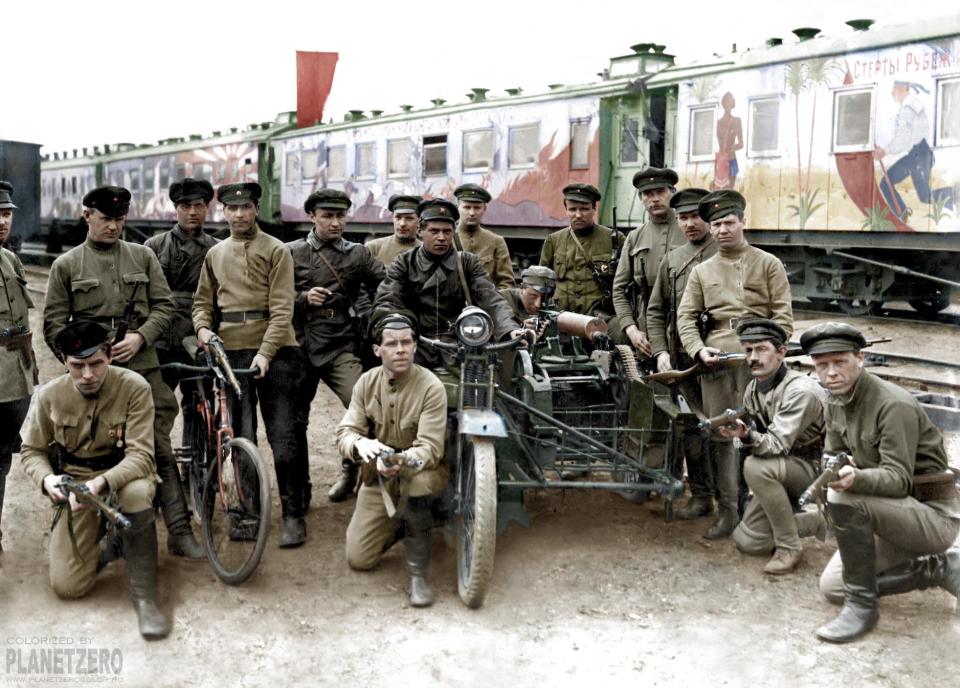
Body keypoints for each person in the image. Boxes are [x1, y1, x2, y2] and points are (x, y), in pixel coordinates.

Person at [43, 186, 204, 560]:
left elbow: (164, 307)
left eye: (119, 219)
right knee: (99, 452)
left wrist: (141, 337)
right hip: (93, 379)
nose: (114, 227)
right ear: (87, 217)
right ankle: (108, 534)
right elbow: (53, 327)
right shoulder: (66, 265)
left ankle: (179, 532)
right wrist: (87, 363)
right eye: (106, 219)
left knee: (158, 448)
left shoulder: (143, 256)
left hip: (143, 370)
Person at [800, 322, 960, 643]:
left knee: (845, 497)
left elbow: (899, 480)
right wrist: (833, 471)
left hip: (932, 517)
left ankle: (862, 608)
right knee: (832, 587)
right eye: (821, 365)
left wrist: (855, 478)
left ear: (861, 358)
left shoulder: (892, 404)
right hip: (888, 515)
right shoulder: (835, 399)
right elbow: (834, 454)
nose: (830, 373)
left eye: (839, 362)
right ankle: (939, 569)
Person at [20, 321, 168, 639]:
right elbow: (31, 451)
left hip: (122, 475)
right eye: (77, 365)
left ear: (110, 358)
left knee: (137, 494)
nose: (88, 375)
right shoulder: (49, 396)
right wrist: (49, 481)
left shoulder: (135, 387)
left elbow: (141, 456)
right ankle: (108, 543)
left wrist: (101, 485)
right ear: (64, 362)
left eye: (96, 364)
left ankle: (145, 598)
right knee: (68, 586)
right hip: (76, 483)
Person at [193, 182, 308, 547]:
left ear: (256, 210)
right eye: (231, 209)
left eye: (246, 208)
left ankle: (293, 516)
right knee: (241, 437)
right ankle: (250, 514)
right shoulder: (216, 254)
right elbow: (201, 305)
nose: (239, 215)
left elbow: (282, 310)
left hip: (277, 354)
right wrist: (203, 330)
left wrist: (266, 353)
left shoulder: (276, 250)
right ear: (223, 212)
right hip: (232, 356)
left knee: (284, 437)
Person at [676, 189, 793, 540]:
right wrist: (699, 350)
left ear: (743, 222)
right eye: (716, 225)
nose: (722, 230)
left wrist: (768, 352)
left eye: (729, 222)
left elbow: (784, 318)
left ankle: (761, 512)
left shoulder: (768, 264)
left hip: (760, 362)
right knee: (722, 436)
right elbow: (686, 318)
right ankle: (728, 513)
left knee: (763, 433)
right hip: (719, 362)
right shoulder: (701, 271)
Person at [337, 314, 447, 607]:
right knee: (359, 558)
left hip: (420, 472)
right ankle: (401, 524)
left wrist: (403, 459)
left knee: (418, 486)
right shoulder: (365, 383)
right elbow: (345, 434)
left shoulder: (431, 387)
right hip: (380, 477)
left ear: (414, 346)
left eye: (406, 342)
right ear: (377, 350)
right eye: (392, 343)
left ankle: (418, 574)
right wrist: (363, 446)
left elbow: (431, 449)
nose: (400, 349)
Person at [287, 188, 384, 503]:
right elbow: (271, 297)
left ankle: (350, 471)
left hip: (339, 343)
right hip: (299, 345)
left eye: (340, 216)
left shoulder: (358, 254)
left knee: (363, 408)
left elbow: (383, 287)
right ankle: (300, 492)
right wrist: (302, 299)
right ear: (312, 217)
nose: (335, 223)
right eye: (327, 216)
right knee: (293, 421)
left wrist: (373, 320)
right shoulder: (291, 252)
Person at [720, 319, 827, 574]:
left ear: (781, 352)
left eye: (761, 349)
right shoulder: (754, 388)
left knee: (756, 467)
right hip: (784, 467)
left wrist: (747, 437)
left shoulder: (800, 391)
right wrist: (739, 436)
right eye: (748, 350)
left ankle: (789, 547)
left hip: (818, 470)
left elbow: (775, 444)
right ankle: (813, 522)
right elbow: (750, 440)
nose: (753, 358)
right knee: (748, 541)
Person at [372, 198, 521, 367]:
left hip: (458, 343)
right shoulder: (404, 263)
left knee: (481, 383)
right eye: (434, 231)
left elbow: (491, 299)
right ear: (420, 231)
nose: (441, 237)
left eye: (447, 231)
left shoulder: (467, 262)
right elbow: (387, 302)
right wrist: (397, 330)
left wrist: (510, 329)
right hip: (416, 343)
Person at [645, 187, 716, 520]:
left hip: (718, 357)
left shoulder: (725, 253)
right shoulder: (673, 259)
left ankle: (736, 501)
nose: (689, 224)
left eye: (696, 216)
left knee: (726, 426)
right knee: (690, 427)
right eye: (683, 217)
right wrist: (660, 351)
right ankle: (701, 496)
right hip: (683, 361)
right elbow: (656, 311)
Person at [144, 178, 219, 451]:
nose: (192, 212)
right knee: (157, 410)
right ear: (175, 208)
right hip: (160, 341)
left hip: (196, 340)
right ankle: (158, 467)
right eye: (185, 206)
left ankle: (198, 474)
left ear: (207, 208)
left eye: (199, 205)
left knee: (199, 407)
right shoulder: (154, 246)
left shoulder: (216, 249)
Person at [0, 181, 38, 554]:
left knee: (1, 465)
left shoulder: (9, 260)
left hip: (15, 381)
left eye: (7, 214)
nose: (1, 221)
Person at [613, 167, 685, 358]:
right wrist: (631, 329)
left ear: (673, 193)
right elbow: (619, 290)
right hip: (646, 332)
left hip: (684, 325)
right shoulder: (635, 238)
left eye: (660, 192)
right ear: (641, 198)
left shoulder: (689, 231)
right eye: (648, 194)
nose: (655, 198)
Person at [539, 183, 626, 341]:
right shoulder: (554, 241)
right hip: (563, 316)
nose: (578, 215)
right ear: (566, 210)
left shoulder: (614, 239)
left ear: (594, 209)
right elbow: (541, 283)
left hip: (600, 316)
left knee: (622, 334)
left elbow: (626, 283)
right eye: (573, 209)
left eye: (584, 209)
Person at [875, 80, 955, 221]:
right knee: (886, 183)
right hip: (917, 154)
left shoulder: (908, 109)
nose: (892, 92)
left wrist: (885, 151)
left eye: (894, 89)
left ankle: (955, 195)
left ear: (904, 88)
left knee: (925, 196)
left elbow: (903, 138)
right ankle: (902, 212)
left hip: (918, 155)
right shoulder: (913, 105)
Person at [454, 183, 515, 290]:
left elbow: (507, 283)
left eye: (477, 208)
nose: (472, 213)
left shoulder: (496, 241)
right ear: (457, 207)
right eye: (467, 207)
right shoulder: (446, 239)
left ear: (484, 209)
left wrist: (495, 303)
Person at [366, 194, 422, 265]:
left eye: (409, 218)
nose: (402, 224)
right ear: (392, 218)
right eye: (398, 217)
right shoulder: (374, 248)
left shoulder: (425, 252)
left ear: (419, 220)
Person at [713, 92, 743, 190]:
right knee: (722, 190)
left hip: (727, 160)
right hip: (724, 160)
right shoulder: (720, 123)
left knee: (729, 190)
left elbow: (741, 144)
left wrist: (732, 147)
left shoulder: (736, 121)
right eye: (731, 100)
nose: (733, 101)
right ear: (726, 103)